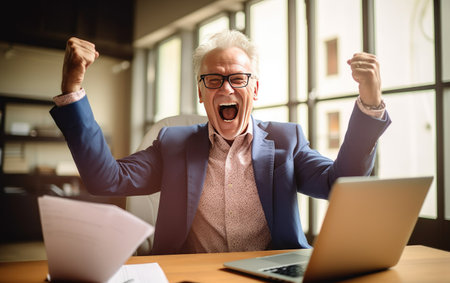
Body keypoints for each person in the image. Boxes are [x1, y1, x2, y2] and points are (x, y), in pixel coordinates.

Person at [50, 30, 391, 255]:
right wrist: (72, 90)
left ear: (254, 89)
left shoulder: (288, 140)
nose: (226, 89)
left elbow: (342, 184)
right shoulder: (172, 144)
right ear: (201, 93)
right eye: (213, 80)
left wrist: (370, 106)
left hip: (271, 275)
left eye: (237, 79)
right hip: (191, 275)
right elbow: (106, 179)